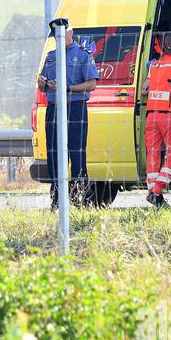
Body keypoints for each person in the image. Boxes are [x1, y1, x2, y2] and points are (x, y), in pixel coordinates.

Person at [37, 24, 99, 207]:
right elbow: (42, 85)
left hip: (75, 107)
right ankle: (57, 199)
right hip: (54, 108)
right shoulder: (50, 57)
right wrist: (42, 83)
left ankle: (82, 198)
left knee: (77, 152)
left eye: (61, 33)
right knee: (53, 153)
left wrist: (67, 88)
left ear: (70, 33)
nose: (58, 37)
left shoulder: (82, 55)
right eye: (55, 35)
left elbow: (92, 84)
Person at [144, 31, 171, 207]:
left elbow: (144, 89)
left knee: (152, 154)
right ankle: (158, 189)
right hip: (168, 116)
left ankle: (152, 193)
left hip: (151, 116)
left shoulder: (154, 65)